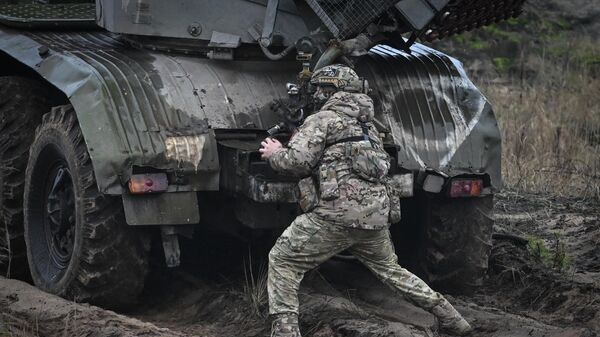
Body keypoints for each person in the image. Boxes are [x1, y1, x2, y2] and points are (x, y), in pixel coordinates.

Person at [259, 64, 473, 337]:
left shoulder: (322, 119)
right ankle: (453, 318)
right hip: (375, 217)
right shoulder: (369, 124)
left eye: (319, 89)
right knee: (392, 272)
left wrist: (275, 152)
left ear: (328, 90)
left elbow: (297, 162)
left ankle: (285, 332)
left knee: (283, 259)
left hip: (335, 216)